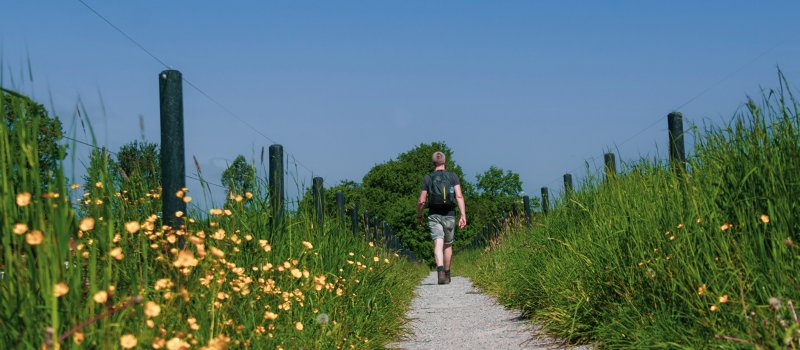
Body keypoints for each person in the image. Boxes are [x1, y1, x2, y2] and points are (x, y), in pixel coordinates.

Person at [417, 151, 466, 284]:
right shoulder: (453, 176)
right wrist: (463, 215)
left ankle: (440, 272)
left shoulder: (428, 177)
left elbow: (421, 201)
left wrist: (420, 215)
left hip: (434, 214)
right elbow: (459, 196)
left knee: (438, 243)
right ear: (444, 162)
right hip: (449, 214)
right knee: (448, 245)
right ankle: (447, 274)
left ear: (433, 163)